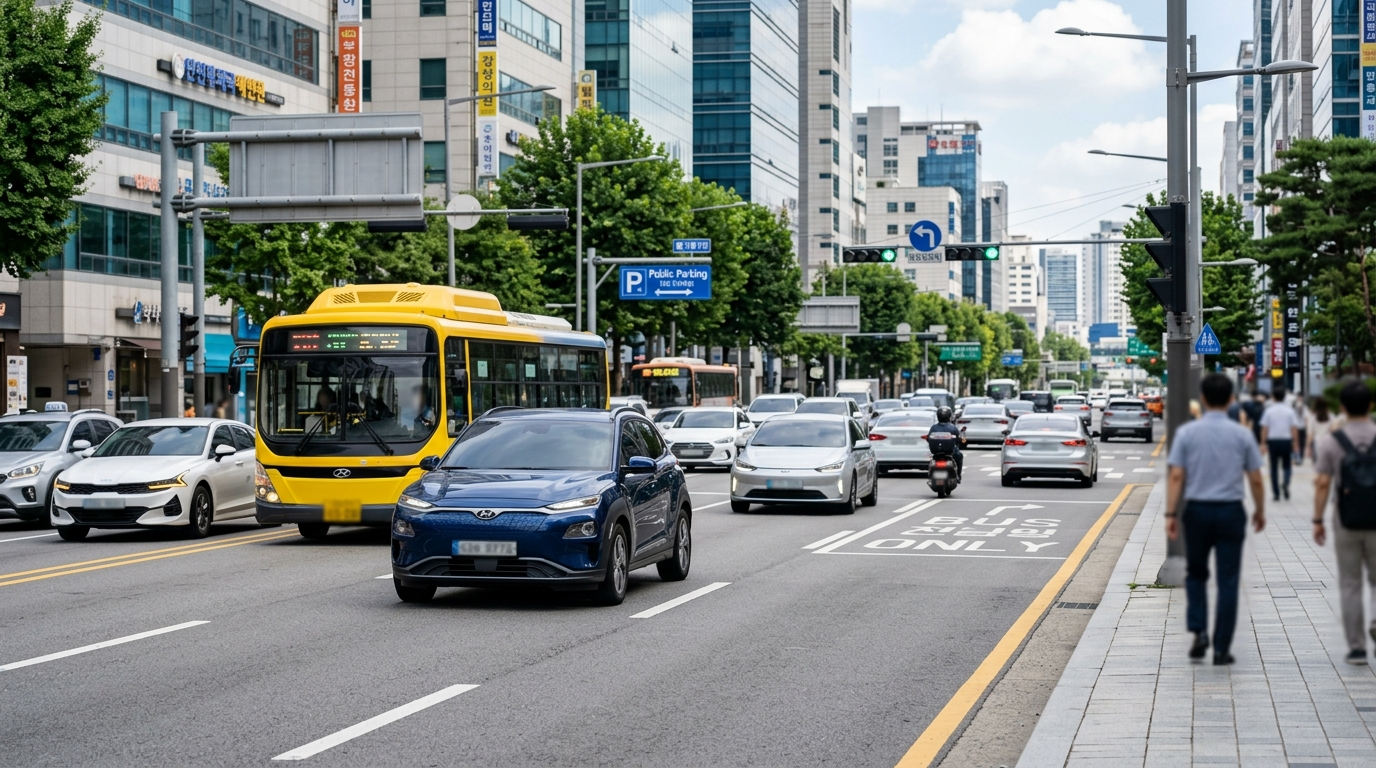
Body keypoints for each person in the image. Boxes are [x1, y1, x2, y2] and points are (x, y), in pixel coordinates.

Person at [1166, 373, 1266, 666]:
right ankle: (1222, 648)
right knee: (1228, 579)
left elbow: (1176, 475)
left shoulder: (1187, 433)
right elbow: (1256, 479)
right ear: (1232, 399)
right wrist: (1259, 510)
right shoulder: (1242, 435)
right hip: (1230, 511)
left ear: (1204, 399)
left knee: (1195, 573)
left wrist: (1171, 513)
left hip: (1196, 511)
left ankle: (1199, 632)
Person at [1313, 381, 1376, 665]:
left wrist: (1317, 519)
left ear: (1342, 407)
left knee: (1351, 584)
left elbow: (1323, 483)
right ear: (1371, 405)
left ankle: (1357, 648)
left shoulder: (1332, 441)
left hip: (1346, 520)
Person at [1260, 387, 1301, 500]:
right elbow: (1294, 428)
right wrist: (1296, 442)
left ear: (1273, 397)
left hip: (1272, 441)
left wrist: (1263, 443)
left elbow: (1265, 428)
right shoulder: (1290, 411)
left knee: (1273, 467)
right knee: (1287, 465)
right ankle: (1286, 483)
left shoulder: (1269, 411)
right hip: (1286, 441)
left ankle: (1276, 493)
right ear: (1284, 397)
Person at [927, 406, 963, 479]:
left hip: (936, 452)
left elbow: (928, 438)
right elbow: (957, 439)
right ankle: (958, 475)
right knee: (959, 456)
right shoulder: (953, 427)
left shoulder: (933, 427)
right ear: (949, 416)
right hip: (949, 453)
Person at [1293, 395, 1311, 466]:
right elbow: (1306, 418)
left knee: (1297, 442)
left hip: (1297, 428)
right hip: (1300, 428)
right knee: (1300, 443)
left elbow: (1306, 419)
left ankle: (1298, 458)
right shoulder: (1305, 408)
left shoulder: (1295, 408)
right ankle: (1299, 457)